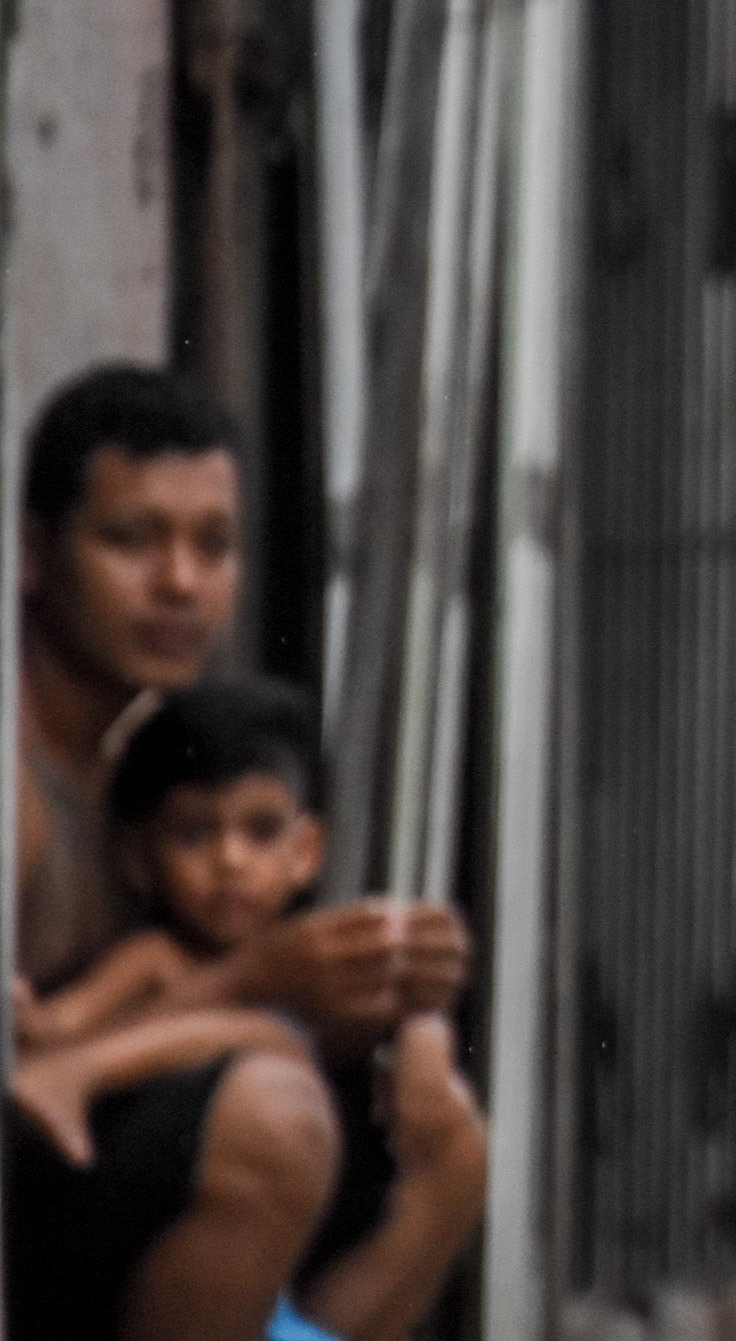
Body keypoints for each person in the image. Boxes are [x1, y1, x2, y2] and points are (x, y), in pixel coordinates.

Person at [8, 363, 473, 1341]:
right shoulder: (17, 784)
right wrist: (257, 976)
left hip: (88, 1160)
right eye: (132, 539)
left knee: (443, 1150)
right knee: (271, 1118)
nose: (180, 580)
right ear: (36, 553)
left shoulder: (149, 752)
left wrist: (394, 1003)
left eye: (212, 544)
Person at [13, 678, 489, 1341]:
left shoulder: (313, 957)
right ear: (138, 857)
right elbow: (64, 1024)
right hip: (168, 1244)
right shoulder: (154, 958)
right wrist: (39, 1023)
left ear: (306, 853)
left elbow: (405, 997)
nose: (231, 862)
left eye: (261, 832)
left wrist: (426, 1056)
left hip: (289, 1294)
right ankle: (82, 1078)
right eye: (193, 834)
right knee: (265, 1036)